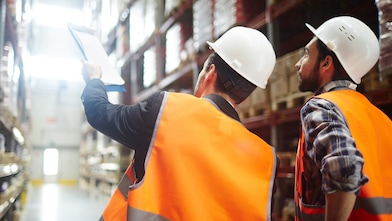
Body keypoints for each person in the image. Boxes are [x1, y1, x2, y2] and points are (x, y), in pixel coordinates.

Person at [81, 26, 279, 221]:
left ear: (210, 72)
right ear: (244, 97)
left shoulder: (166, 111)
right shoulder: (266, 160)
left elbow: (99, 113)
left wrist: (94, 80)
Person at [294, 16, 392, 221]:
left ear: (326, 62)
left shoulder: (321, 106)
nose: (297, 64)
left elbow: (344, 167)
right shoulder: (380, 118)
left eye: (305, 54)